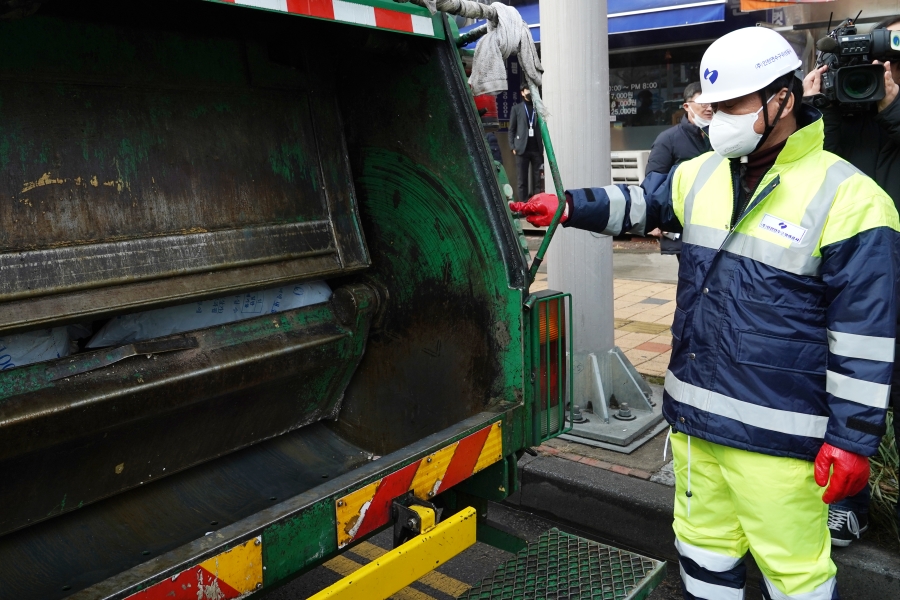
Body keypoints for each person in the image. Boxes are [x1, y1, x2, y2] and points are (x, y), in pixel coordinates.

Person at [512, 26, 899, 600]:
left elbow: (865, 337)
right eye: (714, 106)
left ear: (785, 98)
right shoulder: (702, 173)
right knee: (702, 553)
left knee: (796, 576)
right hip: (695, 425)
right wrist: (569, 205)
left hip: (781, 441)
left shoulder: (852, 198)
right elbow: (642, 203)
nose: (718, 119)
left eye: (735, 105)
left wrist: (854, 440)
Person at [801, 15, 900, 549]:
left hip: (895, 277)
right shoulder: (835, 114)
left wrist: (891, 106)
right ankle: (846, 506)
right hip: (845, 284)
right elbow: (814, 167)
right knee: (843, 396)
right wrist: (817, 108)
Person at [646, 82, 714, 260]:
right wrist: (653, 219)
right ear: (687, 106)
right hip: (682, 224)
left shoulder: (724, 138)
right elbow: (654, 181)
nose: (709, 108)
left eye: (713, 103)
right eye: (704, 103)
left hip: (716, 222)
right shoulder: (668, 139)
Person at [508, 82, 543, 202]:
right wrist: (512, 146)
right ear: (522, 93)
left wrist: (542, 148)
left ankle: (537, 206)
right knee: (522, 180)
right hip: (521, 149)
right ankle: (523, 208)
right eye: (527, 90)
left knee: (537, 180)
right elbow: (511, 129)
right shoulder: (516, 109)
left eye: (531, 90)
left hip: (536, 149)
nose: (529, 92)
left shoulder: (538, 108)